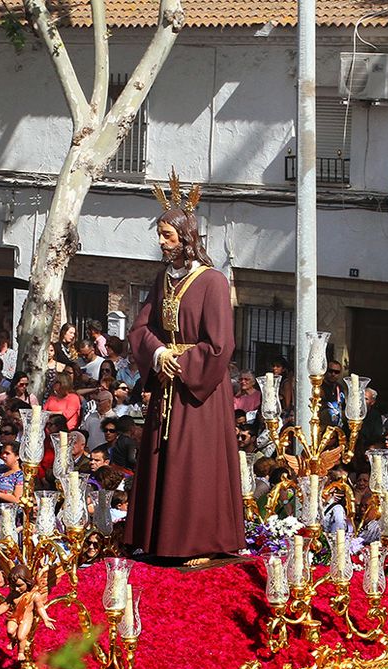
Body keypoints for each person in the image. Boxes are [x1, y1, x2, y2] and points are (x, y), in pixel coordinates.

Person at [125, 174, 244, 561]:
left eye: (168, 236)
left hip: (199, 391)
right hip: (166, 380)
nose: (161, 242)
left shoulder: (212, 282)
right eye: (160, 234)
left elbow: (221, 343)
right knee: (164, 454)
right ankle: (162, 538)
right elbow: (142, 327)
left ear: (186, 238)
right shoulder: (163, 279)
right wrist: (159, 354)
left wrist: (183, 364)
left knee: (196, 460)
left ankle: (201, 540)